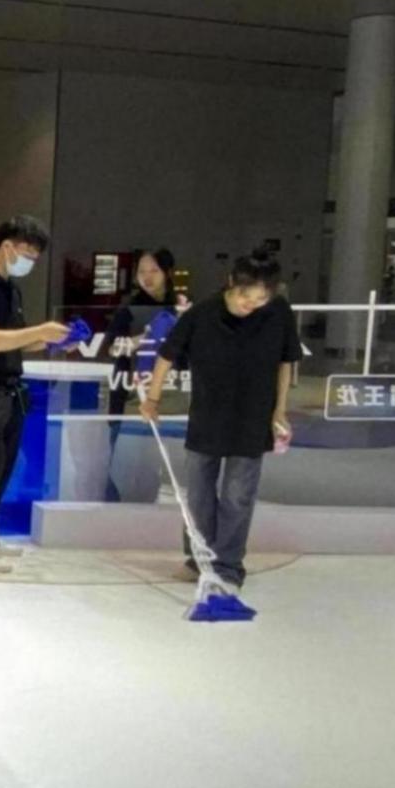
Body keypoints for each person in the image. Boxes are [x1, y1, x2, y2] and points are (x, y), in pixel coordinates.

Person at [141, 250, 300, 591]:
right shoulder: (202, 314)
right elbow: (166, 355)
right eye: (245, 296)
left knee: (238, 496)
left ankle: (228, 565)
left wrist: (279, 410)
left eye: (260, 299)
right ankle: (199, 558)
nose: (250, 305)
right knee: (199, 494)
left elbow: (285, 362)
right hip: (207, 416)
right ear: (230, 283)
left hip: (253, 417)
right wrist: (152, 399)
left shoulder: (278, 313)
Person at [0, 215, 71, 572]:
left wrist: (53, 341)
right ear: (7, 246)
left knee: (4, 464)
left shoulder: (10, 289)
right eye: (27, 253)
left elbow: (17, 341)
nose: (30, 261)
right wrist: (40, 331)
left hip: (9, 388)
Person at [106, 248, 189, 415]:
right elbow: (113, 349)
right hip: (136, 390)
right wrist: (150, 334)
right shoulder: (129, 309)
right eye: (141, 271)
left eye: (154, 271)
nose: (147, 277)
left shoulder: (181, 306)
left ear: (167, 272)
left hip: (175, 388)